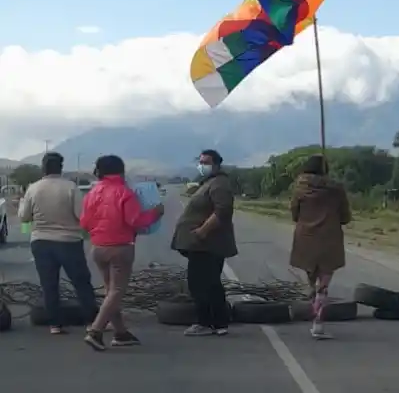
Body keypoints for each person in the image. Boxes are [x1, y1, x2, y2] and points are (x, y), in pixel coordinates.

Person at [80, 155, 164, 351]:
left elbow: (84, 223)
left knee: (111, 292)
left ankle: (121, 333)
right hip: (121, 247)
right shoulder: (124, 192)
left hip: (98, 247)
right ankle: (96, 331)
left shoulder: (92, 193)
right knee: (117, 291)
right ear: (121, 171)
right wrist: (156, 213)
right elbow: (135, 221)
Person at [17, 152, 97, 335]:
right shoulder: (71, 187)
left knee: (49, 284)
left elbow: (24, 217)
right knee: (81, 282)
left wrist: (23, 202)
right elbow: (82, 216)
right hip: (68, 241)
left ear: (43, 168)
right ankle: (92, 321)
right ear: (60, 168)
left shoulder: (33, 188)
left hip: (41, 241)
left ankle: (55, 324)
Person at [171, 149, 238, 337]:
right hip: (202, 244)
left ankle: (206, 322)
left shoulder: (219, 184)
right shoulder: (209, 182)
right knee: (209, 282)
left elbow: (222, 211)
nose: (202, 165)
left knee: (201, 283)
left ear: (216, 164)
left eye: (206, 162)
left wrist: (202, 231)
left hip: (209, 243)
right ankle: (218, 322)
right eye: (200, 161)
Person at [289, 154, 351, 340]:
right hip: (329, 238)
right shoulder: (336, 189)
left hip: (305, 238)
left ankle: (314, 302)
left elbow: (294, 214)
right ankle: (318, 323)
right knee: (323, 283)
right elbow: (345, 217)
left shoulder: (299, 190)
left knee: (312, 276)